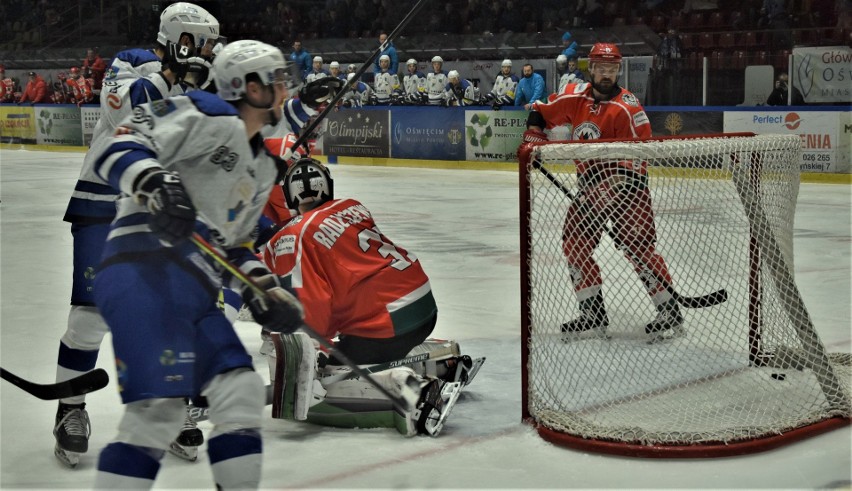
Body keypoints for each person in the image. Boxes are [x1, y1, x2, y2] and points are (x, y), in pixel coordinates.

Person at [89, 39, 303, 489]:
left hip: (195, 292)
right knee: (157, 414)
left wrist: (265, 291)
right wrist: (153, 181)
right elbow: (118, 144)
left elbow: (235, 248)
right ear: (248, 86)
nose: (285, 90)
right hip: (142, 270)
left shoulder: (263, 168)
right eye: (277, 80)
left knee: (240, 392)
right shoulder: (204, 110)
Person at [53, 1, 222, 468]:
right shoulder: (130, 62)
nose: (209, 51)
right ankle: (70, 408)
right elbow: (126, 112)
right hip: (104, 200)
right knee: (90, 318)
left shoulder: (206, 83)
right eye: (201, 43)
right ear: (179, 39)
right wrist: (176, 77)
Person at [259, 158, 483, 436]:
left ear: (290, 196)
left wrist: (313, 356)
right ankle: (440, 366)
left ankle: (416, 392)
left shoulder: (294, 236)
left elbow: (313, 304)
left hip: (387, 322)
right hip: (423, 304)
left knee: (332, 373)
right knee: (356, 347)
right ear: (327, 186)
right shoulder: (350, 206)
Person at [518, 42, 683, 343]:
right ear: (590, 69)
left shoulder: (628, 107)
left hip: (629, 187)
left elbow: (640, 155)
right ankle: (592, 315)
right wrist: (532, 137)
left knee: (639, 248)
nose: (607, 75)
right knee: (575, 244)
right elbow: (540, 112)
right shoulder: (575, 98)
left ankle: (670, 312)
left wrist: (613, 190)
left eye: (612, 69)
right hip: (590, 187)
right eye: (602, 69)